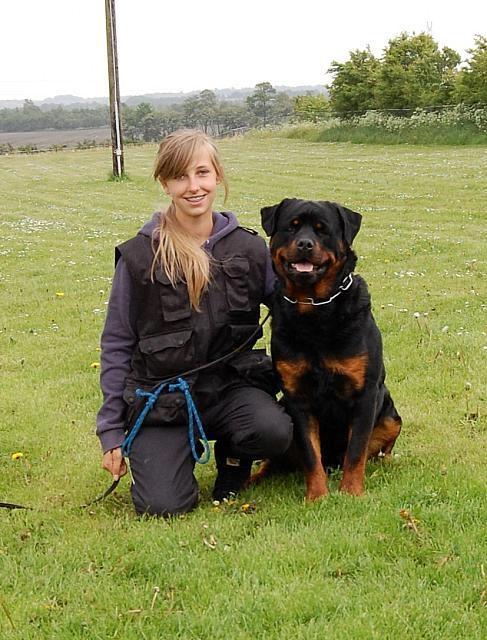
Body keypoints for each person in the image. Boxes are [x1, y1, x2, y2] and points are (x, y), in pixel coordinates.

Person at [96, 129, 292, 516]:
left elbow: (292, 310)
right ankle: (167, 453)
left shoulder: (251, 249)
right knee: (162, 505)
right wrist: (111, 431)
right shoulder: (140, 257)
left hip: (232, 389)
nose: (193, 186)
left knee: (276, 431)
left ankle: (234, 462)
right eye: (180, 176)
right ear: (164, 183)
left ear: (217, 176)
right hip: (162, 395)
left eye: (202, 173)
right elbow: (117, 342)